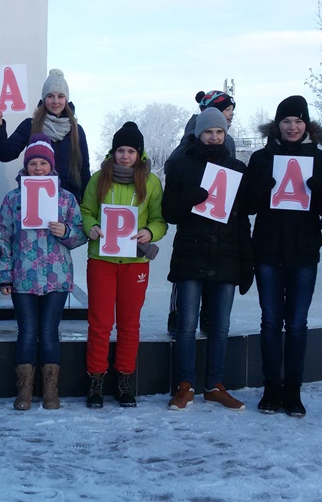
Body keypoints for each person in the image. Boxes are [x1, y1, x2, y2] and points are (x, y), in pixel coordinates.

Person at [245, 96, 322, 416]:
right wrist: (260, 188)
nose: (293, 127)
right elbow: (246, 206)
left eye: (299, 121)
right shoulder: (261, 158)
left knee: (297, 324)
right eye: (287, 121)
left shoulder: (321, 160)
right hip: (268, 252)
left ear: (307, 125)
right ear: (277, 124)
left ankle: (293, 391)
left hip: (304, 253)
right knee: (271, 322)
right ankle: (271, 388)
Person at [162, 107, 253, 412]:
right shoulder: (180, 164)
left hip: (226, 256)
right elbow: (168, 212)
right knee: (187, 325)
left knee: (220, 326)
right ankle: (184, 385)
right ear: (198, 133)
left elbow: (242, 220)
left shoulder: (237, 169)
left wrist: (246, 263)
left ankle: (215, 385)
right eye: (208, 132)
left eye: (219, 132)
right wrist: (188, 197)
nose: (214, 137)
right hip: (191, 254)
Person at [0, 134, 87, 410]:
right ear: (25, 166)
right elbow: (2, 237)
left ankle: (50, 390)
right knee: (26, 332)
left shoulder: (66, 198)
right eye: (32, 163)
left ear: (51, 166)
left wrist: (66, 232)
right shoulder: (13, 200)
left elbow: (81, 235)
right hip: (23, 277)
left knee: (49, 332)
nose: (37, 168)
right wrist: (4, 275)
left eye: (42, 163)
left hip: (56, 277)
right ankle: (23, 391)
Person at [81, 121, 167, 408]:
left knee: (129, 324)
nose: (125, 156)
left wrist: (151, 232)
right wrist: (91, 226)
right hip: (102, 260)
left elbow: (159, 219)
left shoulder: (151, 182)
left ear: (139, 153)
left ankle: (124, 379)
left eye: (131, 150)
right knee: (100, 323)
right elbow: (86, 210)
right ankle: (95, 380)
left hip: (135, 262)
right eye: (120, 150)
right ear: (113, 151)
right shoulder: (99, 178)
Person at [167, 89, 239, 337]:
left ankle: (207, 312)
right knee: (186, 276)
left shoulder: (226, 139)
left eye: (230, 112)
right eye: (227, 110)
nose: (230, 116)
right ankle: (176, 314)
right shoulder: (193, 134)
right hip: (194, 220)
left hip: (219, 222)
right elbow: (176, 164)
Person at [0, 69, 91, 203]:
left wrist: (85, 205)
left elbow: (84, 170)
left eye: (60, 96)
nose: (55, 101)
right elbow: (5, 154)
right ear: (44, 99)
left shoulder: (77, 131)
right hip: (35, 199)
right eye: (50, 96)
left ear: (66, 99)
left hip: (68, 203)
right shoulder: (30, 125)